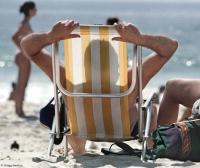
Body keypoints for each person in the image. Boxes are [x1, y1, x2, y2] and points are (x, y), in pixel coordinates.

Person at [20, 20, 178, 154]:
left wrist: (50, 36)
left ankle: (78, 151)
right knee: (152, 106)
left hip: (82, 130)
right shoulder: (130, 81)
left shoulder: (67, 80)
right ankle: (151, 147)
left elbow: (26, 46)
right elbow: (170, 47)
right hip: (124, 130)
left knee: (64, 102)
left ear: (84, 64)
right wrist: (140, 39)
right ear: (117, 65)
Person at [9, 1, 37, 117]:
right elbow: (14, 37)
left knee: (22, 84)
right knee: (21, 85)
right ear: (30, 10)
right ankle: (19, 111)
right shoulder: (24, 23)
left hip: (23, 56)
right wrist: (23, 50)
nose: (36, 11)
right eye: (35, 9)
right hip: (23, 57)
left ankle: (19, 109)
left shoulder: (26, 22)